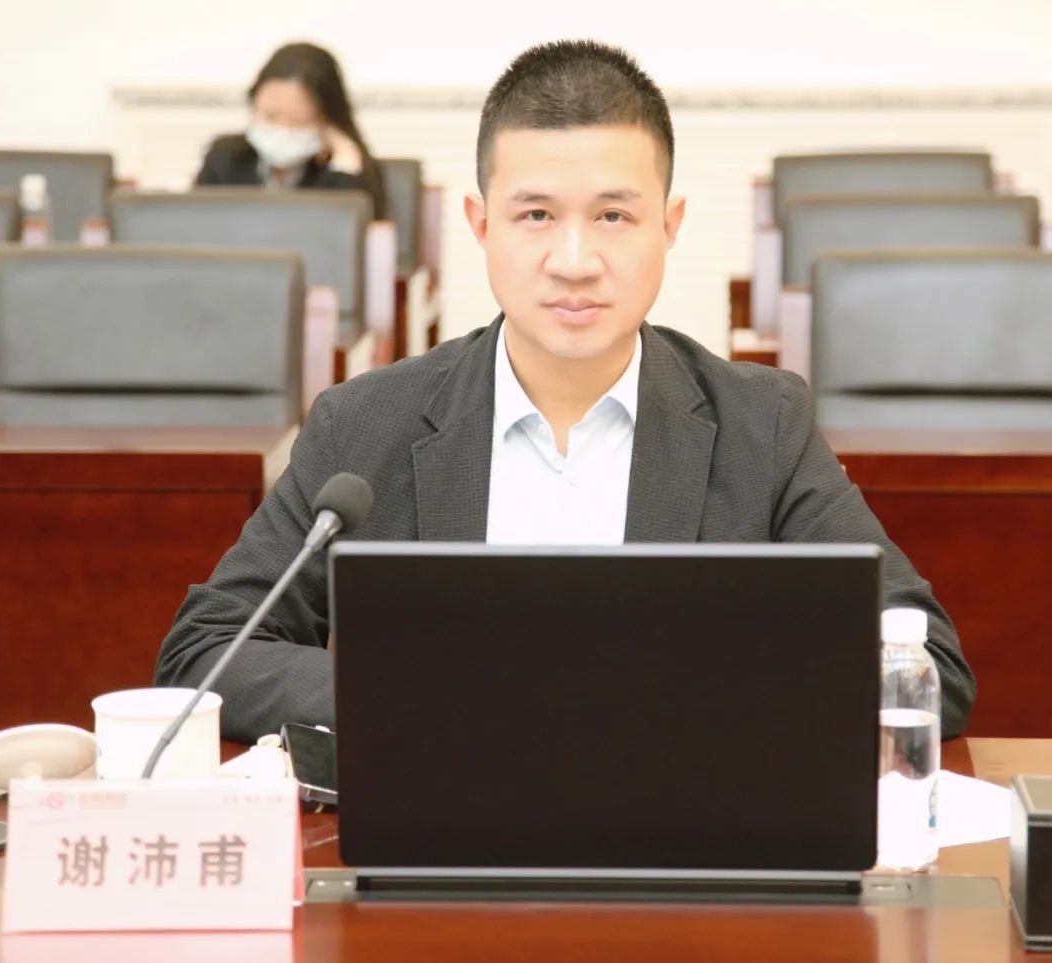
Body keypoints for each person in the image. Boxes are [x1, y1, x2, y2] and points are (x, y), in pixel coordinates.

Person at [157, 40, 975, 743]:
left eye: (614, 216)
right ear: (482, 226)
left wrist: (673, 695)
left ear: (670, 226)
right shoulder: (367, 423)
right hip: (440, 844)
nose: (575, 261)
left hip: (676, 844)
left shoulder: (762, 425)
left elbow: (928, 667)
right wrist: (425, 695)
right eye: (537, 215)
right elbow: (207, 648)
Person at [195, 41, 386, 218]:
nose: (282, 130)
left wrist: (345, 165)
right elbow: (194, 224)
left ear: (326, 120)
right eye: (270, 116)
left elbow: (347, 234)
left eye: (297, 121)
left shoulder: (346, 169)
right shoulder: (225, 158)